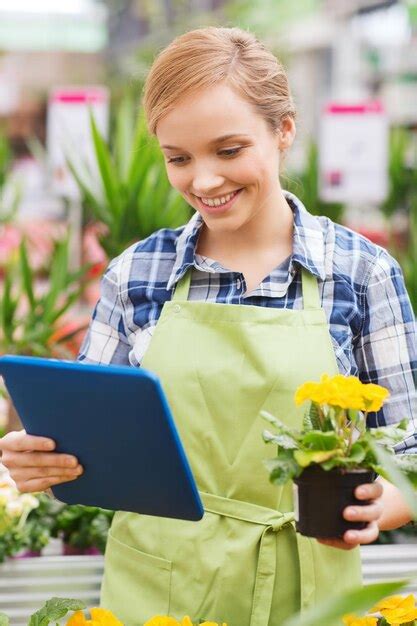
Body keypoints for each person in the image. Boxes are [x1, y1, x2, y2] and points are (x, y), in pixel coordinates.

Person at [1, 26, 416, 626]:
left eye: (228, 151)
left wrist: (381, 507)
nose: (204, 181)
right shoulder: (138, 273)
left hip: (309, 587)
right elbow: (91, 439)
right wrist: (41, 461)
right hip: (158, 590)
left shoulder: (359, 272)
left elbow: (410, 451)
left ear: (284, 131)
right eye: (178, 158)